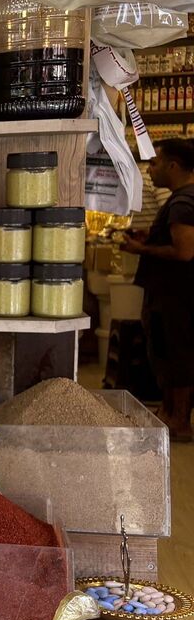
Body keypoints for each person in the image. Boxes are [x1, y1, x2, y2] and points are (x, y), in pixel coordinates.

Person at [121, 138, 194, 440]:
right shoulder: (182, 199)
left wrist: (141, 249)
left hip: (175, 296)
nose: (149, 169)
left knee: (177, 356)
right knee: (167, 352)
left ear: (173, 166)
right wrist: (149, 239)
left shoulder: (182, 202)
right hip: (172, 294)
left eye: (154, 163)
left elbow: (184, 251)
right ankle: (169, 413)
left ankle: (179, 421)